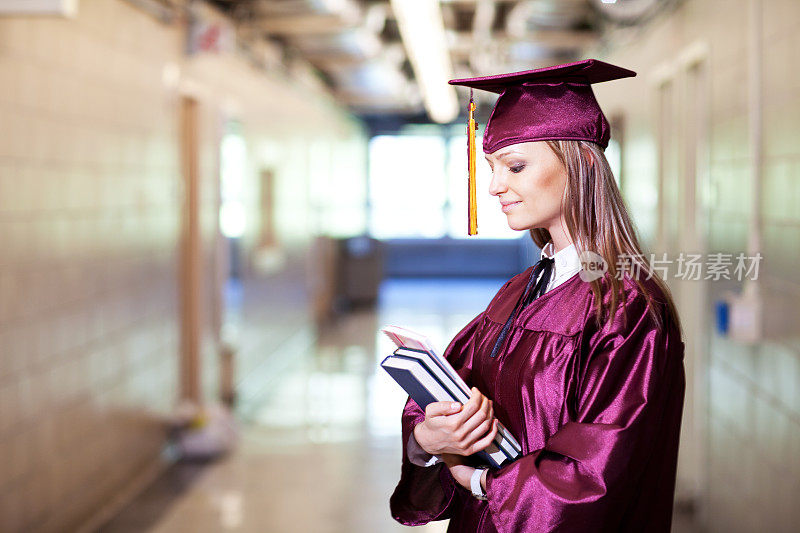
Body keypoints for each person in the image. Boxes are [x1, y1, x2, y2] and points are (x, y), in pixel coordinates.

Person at [389, 59, 685, 532]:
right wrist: (427, 438)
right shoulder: (518, 291)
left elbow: (598, 472)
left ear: (582, 163)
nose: (494, 186)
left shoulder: (626, 309)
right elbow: (448, 393)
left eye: (516, 166)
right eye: (491, 168)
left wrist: (485, 485)